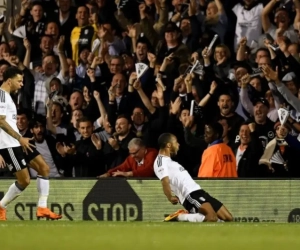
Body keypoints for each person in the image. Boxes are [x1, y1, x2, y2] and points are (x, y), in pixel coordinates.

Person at [0, 66, 62, 220]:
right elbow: (0, 122)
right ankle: (1, 206)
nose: (21, 84)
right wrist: (19, 138)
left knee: (44, 168)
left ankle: (42, 208)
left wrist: (20, 139)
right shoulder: (1, 96)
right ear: (9, 81)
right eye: (19, 81)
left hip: (18, 141)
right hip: (8, 145)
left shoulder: (8, 96)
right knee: (24, 180)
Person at [154, 133, 233, 222]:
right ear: (168, 145)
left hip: (199, 191)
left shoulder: (170, 162)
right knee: (212, 217)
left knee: (228, 218)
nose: (178, 144)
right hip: (189, 194)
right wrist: (170, 197)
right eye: (176, 142)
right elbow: (165, 181)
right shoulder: (160, 161)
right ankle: (180, 217)